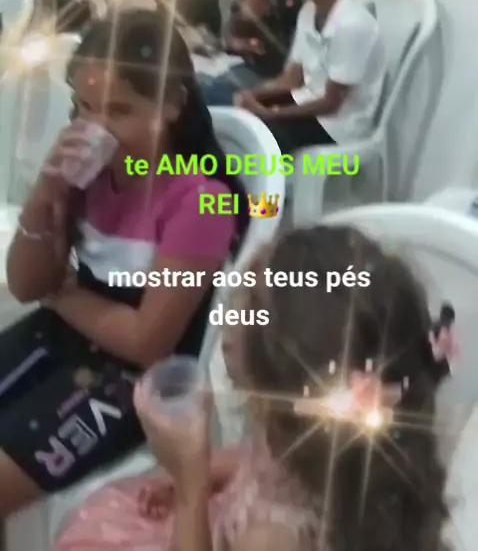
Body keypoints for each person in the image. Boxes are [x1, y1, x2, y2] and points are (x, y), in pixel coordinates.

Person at [55, 224, 453, 551]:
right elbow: (258, 461)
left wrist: (191, 487)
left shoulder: (272, 538)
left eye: (247, 308)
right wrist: (205, 468)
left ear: (275, 380)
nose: (227, 317)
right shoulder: (319, 436)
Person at [0, 8, 248, 516]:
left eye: (119, 111)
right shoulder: (91, 176)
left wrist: (62, 293)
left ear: (172, 104)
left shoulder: (200, 200)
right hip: (63, 338)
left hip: (131, 382)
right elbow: (25, 284)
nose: (96, 127)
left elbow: (145, 342)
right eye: (84, 107)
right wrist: (45, 196)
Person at [235, 0, 386, 154]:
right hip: (307, 101)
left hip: (337, 124)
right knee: (240, 117)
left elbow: (331, 104)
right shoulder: (308, 11)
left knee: (257, 138)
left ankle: (259, 177)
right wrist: (253, 94)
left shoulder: (353, 25)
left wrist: (272, 113)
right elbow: (291, 79)